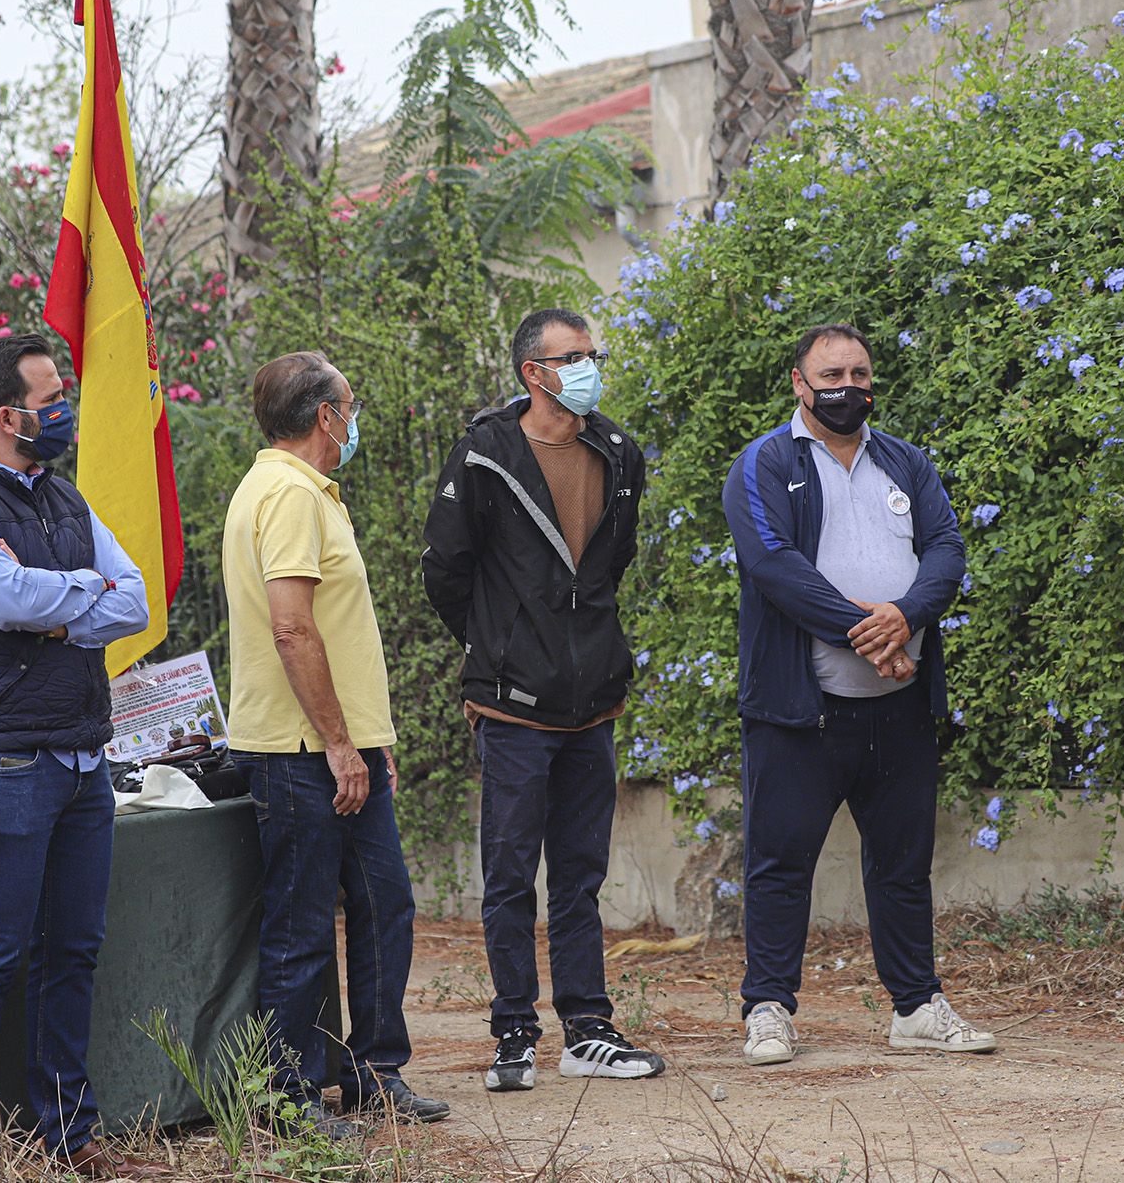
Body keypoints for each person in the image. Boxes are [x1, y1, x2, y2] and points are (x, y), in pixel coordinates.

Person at [0, 335, 157, 1177]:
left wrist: (57, 604)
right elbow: (1, 596)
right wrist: (74, 595)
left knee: (73, 951)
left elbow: (137, 601)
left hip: (82, 759)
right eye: (54, 397)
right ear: (8, 416)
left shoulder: (64, 497)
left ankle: (68, 1134)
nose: (67, 408)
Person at [720, 322, 996, 1066]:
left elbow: (946, 548)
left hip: (899, 709)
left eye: (861, 372)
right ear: (799, 384)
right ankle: (769, 1008)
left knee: (902, 865)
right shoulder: (763, 466)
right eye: (832, 374)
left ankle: (915, 1007)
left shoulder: (904, 460)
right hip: (798, 710)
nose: (849, 386)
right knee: (780, 863)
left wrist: (905, 617)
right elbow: (774, 567)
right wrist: (867, 631)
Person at [420, 309, 662, 1093]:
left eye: (593, 353)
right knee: (508, 875)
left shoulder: (618, 451)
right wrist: (499, 647)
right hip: (512, 704)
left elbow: (610, 565)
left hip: (592, 700)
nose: (589, 366)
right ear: (534, 372)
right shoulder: (486, 453)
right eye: (573, 356)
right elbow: (445, 573)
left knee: (581, 875)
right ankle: (514, 1031)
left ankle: (588, 1028)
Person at [222, 351, 448, 1132]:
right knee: (302, 924)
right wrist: (337, 744)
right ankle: (284, 1098)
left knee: (387, 903)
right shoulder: (285, 492)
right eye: (348, 409)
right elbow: (292, 628)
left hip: (342, 745)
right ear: (326, 416)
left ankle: (373, 1072)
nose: (353, 423)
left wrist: (365, 738)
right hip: (298, 751)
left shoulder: (309, 491)